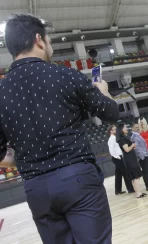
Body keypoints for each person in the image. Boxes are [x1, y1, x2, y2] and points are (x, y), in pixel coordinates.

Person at [0, 14, 118, 243]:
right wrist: (103, 90)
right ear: (39, 40)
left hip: (36, 189)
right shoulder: (65, 75)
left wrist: (21, 159)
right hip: (78, 179)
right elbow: (111, 113)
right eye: (49, 40)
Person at [116, 123, 147, 198]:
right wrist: (132, 145)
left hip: (130, 158)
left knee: (135, 177)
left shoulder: (123, 138)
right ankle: (138, 193)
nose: (127, 128)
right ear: (121, 130)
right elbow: (126, 150)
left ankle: (138, 192)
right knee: (136, 177)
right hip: (130, 159)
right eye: (125, 127)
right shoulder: (122, 139)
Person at [131, 122, 148, 191]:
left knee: (147, 171)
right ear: (132, 128)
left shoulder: (138, 134)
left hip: (145, 154)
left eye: (138, 127)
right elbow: (136, 148)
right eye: (136, 127)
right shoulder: (134, 136)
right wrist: (142, 156)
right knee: (145, 172)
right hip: (142, 157)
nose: (138, 128)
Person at [107, 125, 134, 194]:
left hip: (119, 157)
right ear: (111, 131)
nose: (116, 130)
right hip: (118, 158)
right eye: (114, 129)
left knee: (118, 174)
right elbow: (111, 150)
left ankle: (118, 190)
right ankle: (130, 189)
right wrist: (118, 157)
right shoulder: (111, 139)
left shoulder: (115, 138)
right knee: (125, 173)